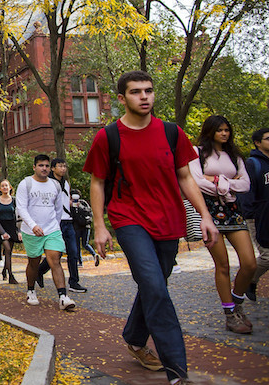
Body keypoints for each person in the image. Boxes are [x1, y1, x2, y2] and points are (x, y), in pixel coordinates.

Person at [84, 70, 218, 385]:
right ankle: (177, 372)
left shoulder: (172, 133)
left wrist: (204, 215)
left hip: (169, 220)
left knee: (155, 285)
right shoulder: (109, 137)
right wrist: (100, 225)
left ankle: (133, 335)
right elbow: (97, 182)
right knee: (156, 288)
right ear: (121, 98)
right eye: (135, 92)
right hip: (129, 218)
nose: (144, 97)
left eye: (148, 90)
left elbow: (185, 177)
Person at [189, 115, 255, 333]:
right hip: (207, 212)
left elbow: (245, 184)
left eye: (227, 130)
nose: (224, 134)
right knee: (223, 265)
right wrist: (228, 184)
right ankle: (230, 314)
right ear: (210, 131)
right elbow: (196, 181)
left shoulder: (235, 156)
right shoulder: (197, 153)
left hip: (233, 212)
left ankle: (237, 301)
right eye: (220, 130)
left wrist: (217, 182)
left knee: (249, 263)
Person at [16, 155, 75, 311]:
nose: (44, 168)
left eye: (47, 166)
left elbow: (57, 209)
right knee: (34, 262)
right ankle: (30, 290)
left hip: (51, 230)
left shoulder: (55, 185)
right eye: (41, 165)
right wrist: (33, 225)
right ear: (34, 167)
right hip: (31, 231)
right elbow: (21, 208)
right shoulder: (26, 184)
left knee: (55, 260)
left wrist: (54, 225)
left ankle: (63, 296)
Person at [36, 159, 86, 293]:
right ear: (53, 168)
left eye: (64, 166)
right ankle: (39, 271)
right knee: (56, 254)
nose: (63, 169)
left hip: (68, 221)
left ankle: (74, 282)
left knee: (73, 252)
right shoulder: (48, 183)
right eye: (60, 166)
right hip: (55, 222)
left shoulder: (66, 183)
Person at [241, 127, 269, 301]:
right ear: (258, 142)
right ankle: (248, 279)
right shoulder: (253, 163)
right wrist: (249, 214)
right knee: (267, 256)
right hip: (259, 217)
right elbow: (246, 190)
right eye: (268, 138)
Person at [0, 179, 19, 284]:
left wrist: (19, 230)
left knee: (9, 251)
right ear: (0, 189)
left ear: (10, 187)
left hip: (12, 227)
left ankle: (4, 270)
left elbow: (18, 216)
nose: (4, 188)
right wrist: (2, 232)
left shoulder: (14, 200)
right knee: (7, 249)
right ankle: (11, 275)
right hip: (1, 227)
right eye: (2, 186)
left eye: (6, 186)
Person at [71, 191, 100, 268]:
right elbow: (90, 212)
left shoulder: (73, 204)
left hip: (77, 227)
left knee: (77, 245)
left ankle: (80, 262)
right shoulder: (84, 203)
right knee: (85, 244)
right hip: (86, 226)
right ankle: (94, 254)